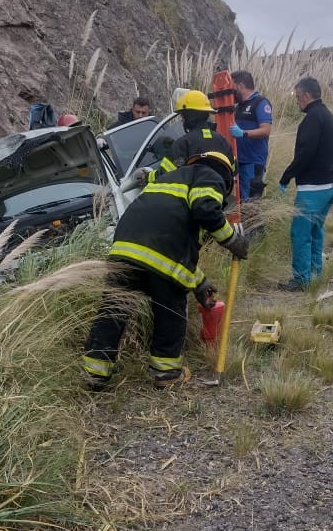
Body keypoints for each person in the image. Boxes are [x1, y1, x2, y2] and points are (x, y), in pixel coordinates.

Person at [80, 150, 249, 390]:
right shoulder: (209, 176)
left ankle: (94, 373)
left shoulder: (168, 180)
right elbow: (205, 210)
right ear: (226, 176)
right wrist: (232, 240)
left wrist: (200, 283)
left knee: (113, 312)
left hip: (125, 249)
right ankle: (166, 373)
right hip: (159, 254)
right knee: (170, 311)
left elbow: (176, 251)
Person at [276, 77, 333, 291]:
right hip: (328, 186)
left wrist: (286, 177)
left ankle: (301, 280)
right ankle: (315, 273)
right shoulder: (329, 116)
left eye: (297, 97)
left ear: (305, 96)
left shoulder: (312, 119)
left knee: (301, 234)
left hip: (312, 189)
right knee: (316, 232)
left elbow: (306, 153)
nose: (296, 101)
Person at [140, 90, 229, 183]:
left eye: (183, 116)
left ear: (189, 116)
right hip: (220, 195)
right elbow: (233, 169)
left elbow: (164, 173)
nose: (182, 120)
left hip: (192, 196)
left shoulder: (183, 143)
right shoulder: (222, 140)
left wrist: (147, 176)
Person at [227, 71, 274, 200]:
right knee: (241, 202)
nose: (230, 92)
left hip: (252, 163)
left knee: (251, 205)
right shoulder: (238, 107)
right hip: (239, 163)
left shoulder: (260, 103)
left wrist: (243, 133)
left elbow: (265, 130)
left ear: (240, 85)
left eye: (232, 87)